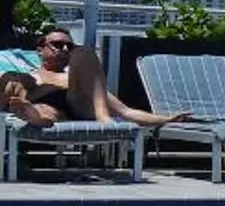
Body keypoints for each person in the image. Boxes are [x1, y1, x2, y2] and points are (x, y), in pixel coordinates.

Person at [32, 29, 187, 132]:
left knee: (85, 51)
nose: (65, 49)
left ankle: (103, 117)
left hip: (77, 107)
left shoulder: (80, 79)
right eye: (58, 45)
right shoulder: (31, 76)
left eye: (69, 46)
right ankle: (33, 115)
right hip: (46, 109)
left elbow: (125, 111)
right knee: (43, 110)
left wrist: (166, 119)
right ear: (40, 49)